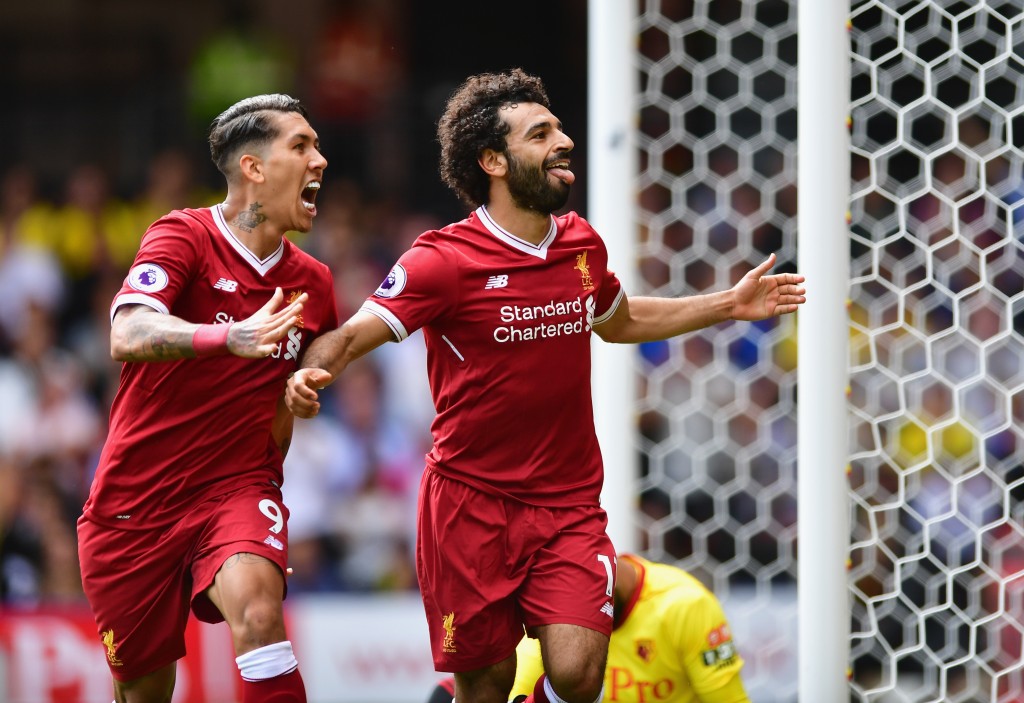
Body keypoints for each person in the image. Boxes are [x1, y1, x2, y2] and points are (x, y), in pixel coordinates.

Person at [285, 68, 805, 703]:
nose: (563, 142)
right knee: (486, 684)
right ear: (493, 160)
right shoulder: (442, 261)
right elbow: (352, 333)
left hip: (566, 505)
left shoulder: (582, 245)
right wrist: (311, 372)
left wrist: (727, 304)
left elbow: (621, 321)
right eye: (540, 134)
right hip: (468, 507)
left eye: (559, 128)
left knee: (580, 674)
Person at [78, 93, 337, 703]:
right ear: (252, 167)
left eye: (317, 146)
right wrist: (229, 337)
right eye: (301, 146)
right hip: (135, 501)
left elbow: (307, 370)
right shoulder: (184, 235)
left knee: (259, 614)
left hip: (238, 489)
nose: (319, 160)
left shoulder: (314, 283)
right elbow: (128, 331)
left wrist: (301, 387)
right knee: (143, 691)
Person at [426, 553, 751, 703]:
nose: (533, 625)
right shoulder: (548, 614)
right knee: (447, 696)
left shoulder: (685, 606)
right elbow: (515, 690)